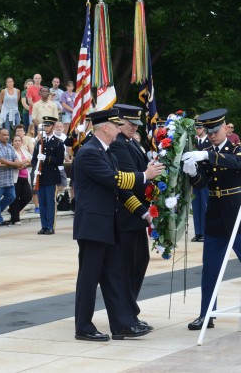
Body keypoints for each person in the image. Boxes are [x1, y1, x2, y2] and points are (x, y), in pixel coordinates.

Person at [181, 108, 241, 336]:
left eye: (216, 131)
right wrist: (192, 173)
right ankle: (207, 313)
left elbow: (239, 164)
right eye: (209, 132)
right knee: (210, 268)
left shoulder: (238, 148)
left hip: (236, 210)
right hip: (215, 212)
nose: (212, 135)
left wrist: (208, 156)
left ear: (225, 128)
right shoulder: (203, 149)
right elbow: (201, 184)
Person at [73, 108, 163, 341]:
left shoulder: (105, 152)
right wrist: (145, 175)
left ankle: (122, 324)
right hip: (93, 227)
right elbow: (113, 179)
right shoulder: (89, 152)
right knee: (89, 278)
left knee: (115, 276)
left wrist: (144, 214)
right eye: (115, 125)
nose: (119, 129)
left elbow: (120, 191)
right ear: (105, 128)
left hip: (106, 226)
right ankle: (83, 327)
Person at [108, 104, 154, 330]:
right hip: (127, 214)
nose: (134, 127)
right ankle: (125, 316)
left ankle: (130, 311)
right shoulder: (118, 145)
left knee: (139, 262)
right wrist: (142, 211)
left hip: (136, 215)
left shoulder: (132, 141)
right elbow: (129, 182)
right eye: (130, 123)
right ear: (119, 122)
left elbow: (143, 171)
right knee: (126, 267)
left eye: (136, 124)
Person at [31, 116, 64, 235]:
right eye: (45, 125)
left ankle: (50, 226)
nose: (46, 127)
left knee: (50, 202)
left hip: (51, 176)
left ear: (53, 127)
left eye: (48, 125)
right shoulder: (40, 142)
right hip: (41, 176)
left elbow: (59, 160)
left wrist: (47, 158)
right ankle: (44, 226)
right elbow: (34, 159)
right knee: (42, 202)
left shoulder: (58, 142)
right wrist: (36, 168)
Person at [0, 128, 21, 226]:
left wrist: (17, 163)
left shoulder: (10, 146)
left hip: (8, 178)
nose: (6, 137)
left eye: (7, 135)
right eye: (3, 135)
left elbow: (15, 157)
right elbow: (1, 159)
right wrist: (15, 164)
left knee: (12, 196)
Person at [191, 120, 210, 242]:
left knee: (205, 206)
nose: (198, 130)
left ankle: (205, 232)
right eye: (196, 128)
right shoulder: (193, 142)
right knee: (196, 206)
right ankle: (198, 232)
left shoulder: (209, 142)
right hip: (194, 177)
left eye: (200, 127)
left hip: (205, 178)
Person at [8, 134, 33, 225]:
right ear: (12, 142)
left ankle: (12, 211)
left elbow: (31, 158)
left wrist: (26, 161)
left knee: (28, 196)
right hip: (16, 178)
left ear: (21, 142)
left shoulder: (23, 150)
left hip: (25, 177)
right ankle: (15, 219)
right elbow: (17, 163)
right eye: (15, 141)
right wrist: (25, 161)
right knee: (15, 198)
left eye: (19, 141)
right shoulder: (11, 151)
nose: (17, 142)